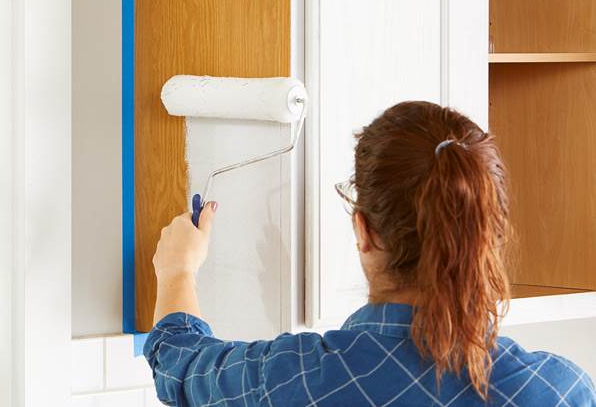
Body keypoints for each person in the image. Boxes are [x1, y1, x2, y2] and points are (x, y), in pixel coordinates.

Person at [143, 101, 596, 406]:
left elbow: (179, 364)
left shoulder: (294, 379)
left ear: (364, 230)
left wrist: (179, 271)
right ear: (488, 235)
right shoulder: (560, 392)